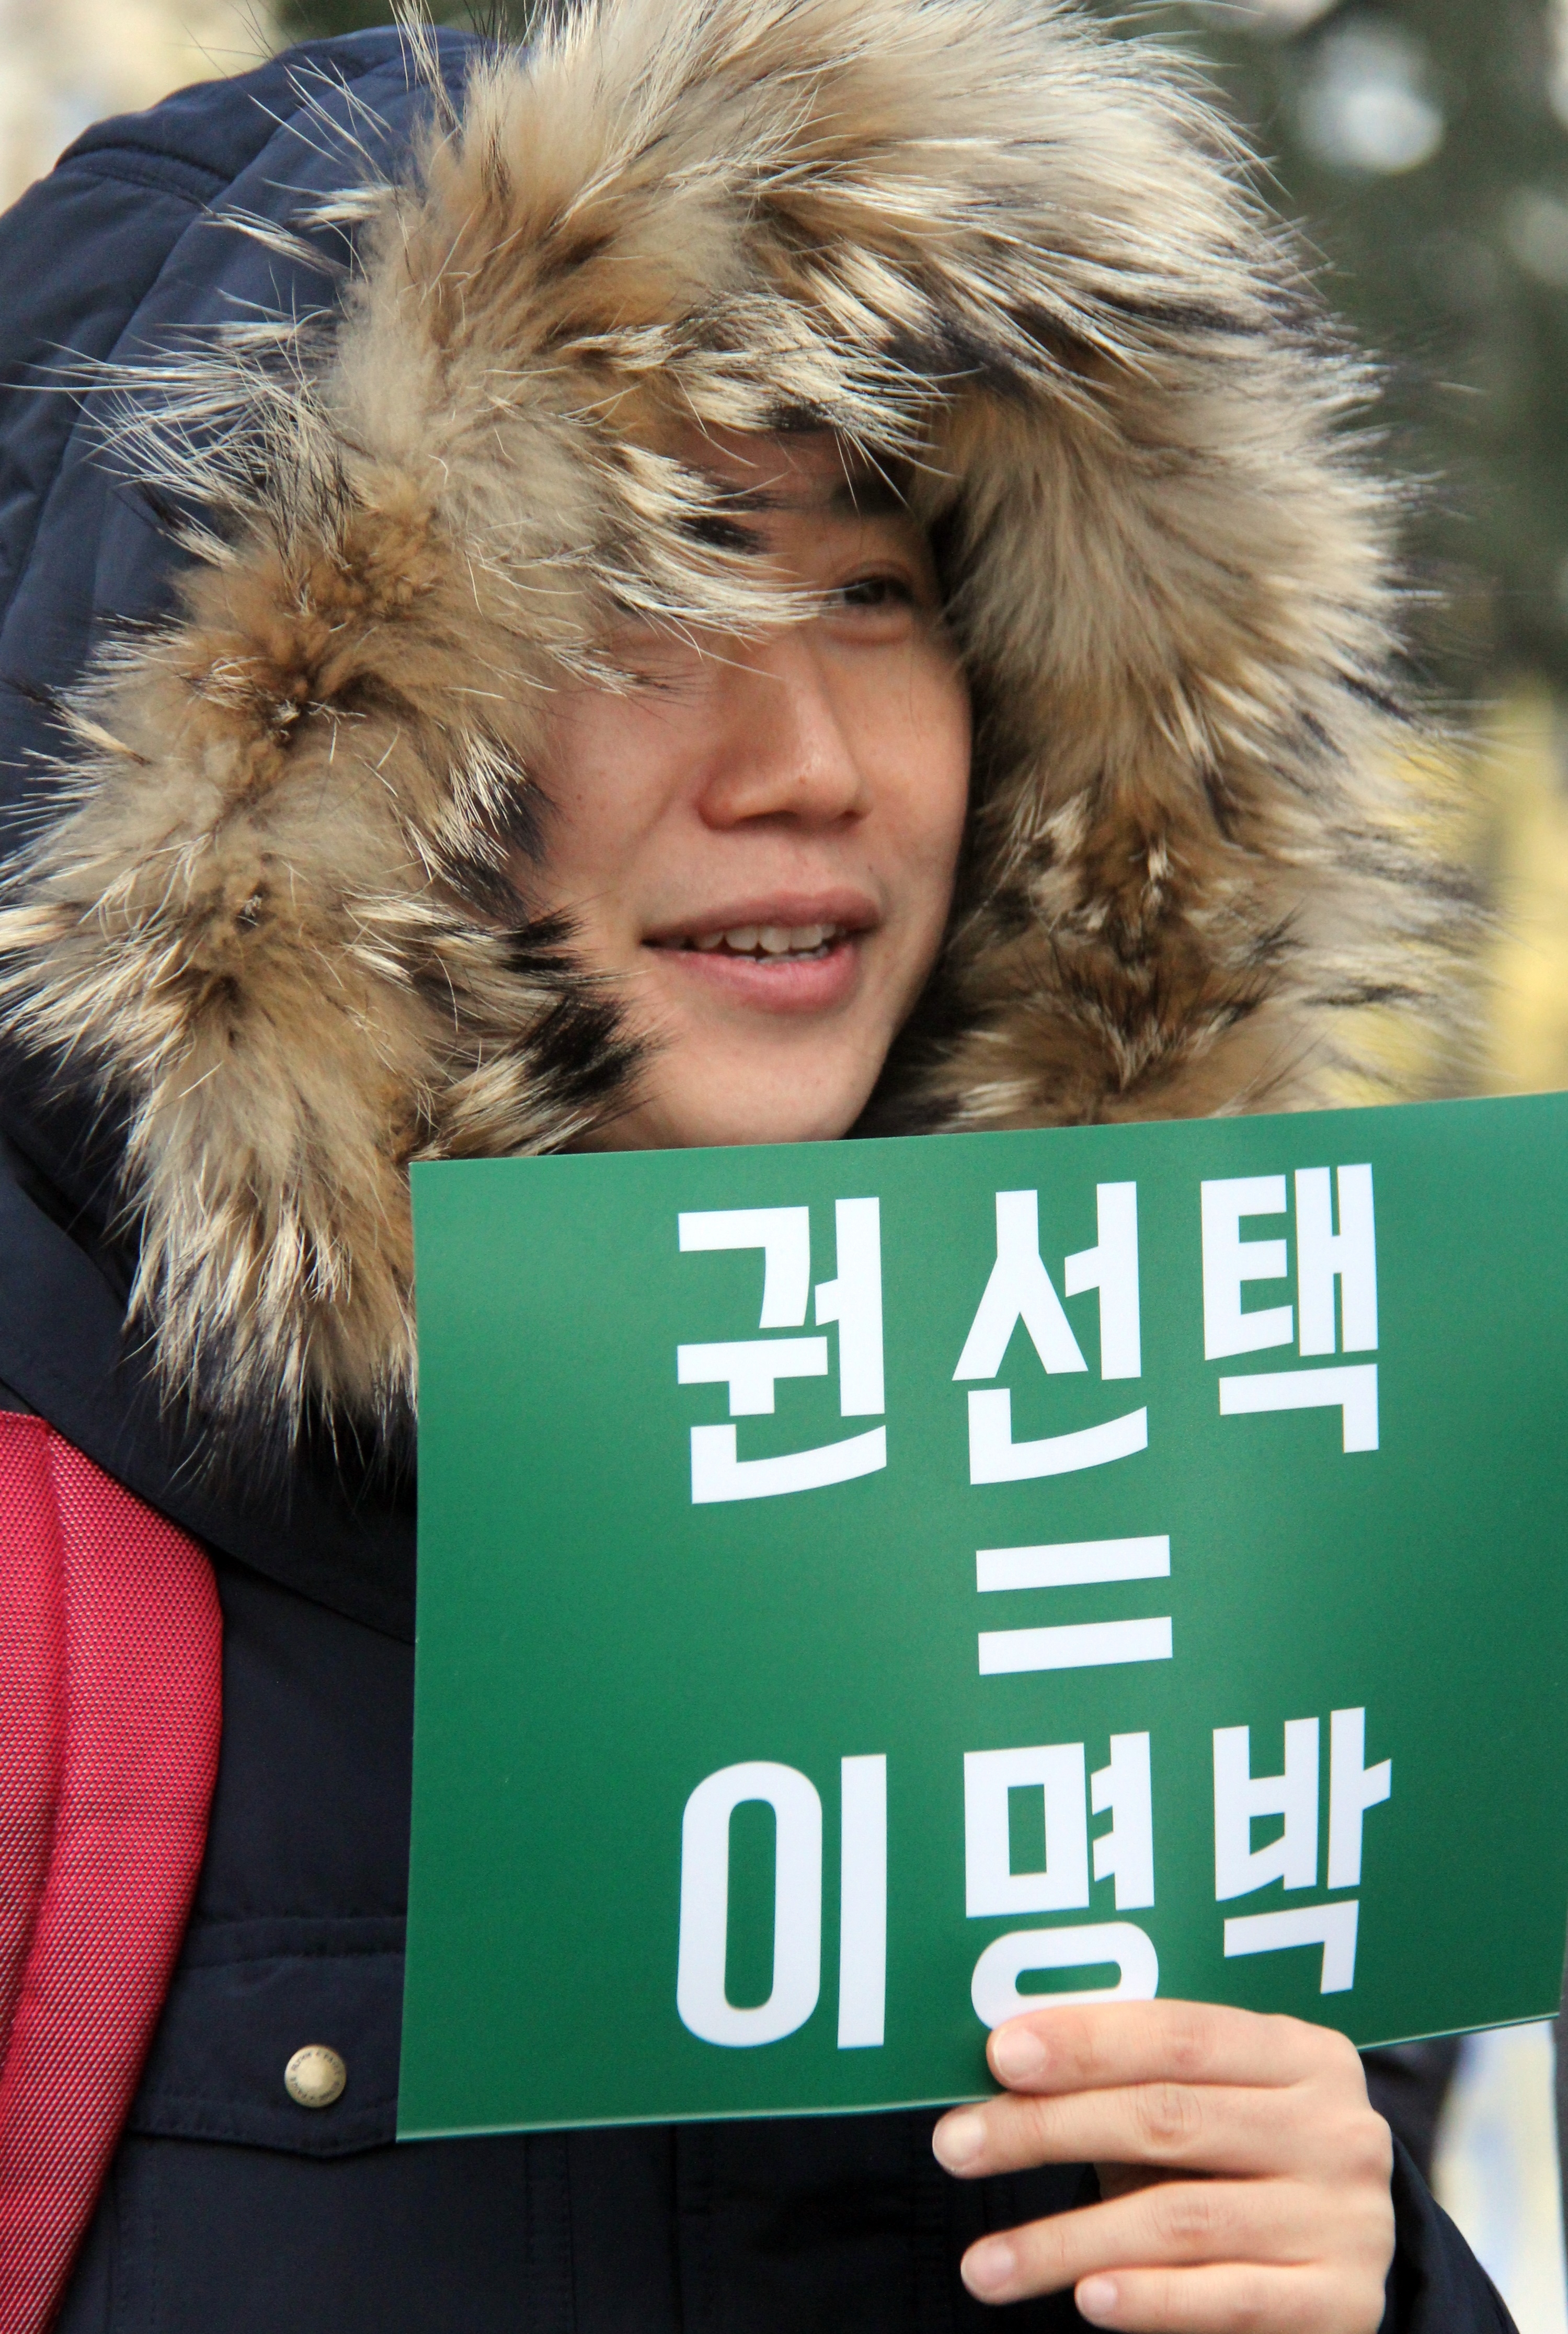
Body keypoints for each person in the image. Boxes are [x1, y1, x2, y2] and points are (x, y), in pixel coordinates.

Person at [0, 1, 1506, 2327]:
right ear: (293, 729)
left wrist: (1367, 2278)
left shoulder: (1204, 1558)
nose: (806, 755)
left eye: (881, 591)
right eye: (654, 587)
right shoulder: (52, 1565)